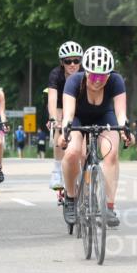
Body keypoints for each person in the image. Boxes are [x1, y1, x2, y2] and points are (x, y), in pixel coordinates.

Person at [59, 45, 132, 228]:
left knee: (111, 153)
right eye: (93, 76)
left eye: (102, 76)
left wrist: (124, 129)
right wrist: (64, 133)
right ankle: (70, 197)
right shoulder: (74, 82)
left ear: (109, 75)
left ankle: (108, 206)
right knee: (73, 152)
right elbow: (68, 115)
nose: (97, 81)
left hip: (104, 116)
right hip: (78, 117)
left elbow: (121, 114)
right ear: (86, 73)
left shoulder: (116, 81)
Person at [47, 41, 84, 189]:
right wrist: (53, 118)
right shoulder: (56, 74)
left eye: (76, 60)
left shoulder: (85, 73)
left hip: (80, 104)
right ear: (62, 62)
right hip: (60, 105)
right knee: (59, 124)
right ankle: (57, 169)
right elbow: (52, 98)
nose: (73, 64)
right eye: (68, 61)